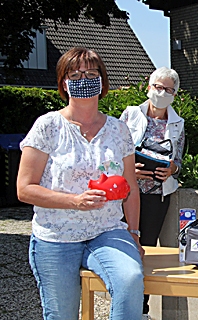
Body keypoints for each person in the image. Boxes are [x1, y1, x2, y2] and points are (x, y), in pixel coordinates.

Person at [16, 47, 144, 320]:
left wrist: (134, 232)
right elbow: (24, 188)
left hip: (107, 230)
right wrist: (74, 201)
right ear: (64, 82)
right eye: (74, 74)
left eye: (91, 73)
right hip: (56, 236)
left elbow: (131, 188)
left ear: (102, 80)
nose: (83, 78)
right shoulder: (48, 126)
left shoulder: (118, 129)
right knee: (61, 314)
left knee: (130, 280)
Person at [119, 67, 185, 318]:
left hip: (158, 196)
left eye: (168, 89)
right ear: (149, 87)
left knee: (145, 250)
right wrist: (129, 170)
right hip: (128, 193)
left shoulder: (178, 123)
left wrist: (171, 169)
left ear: (175, 94)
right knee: (125, 248)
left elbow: (178, 161)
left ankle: (142, 310)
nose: (162, 92)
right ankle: (123, 305)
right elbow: (116, 151)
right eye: (158, 87)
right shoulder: (130, 114)